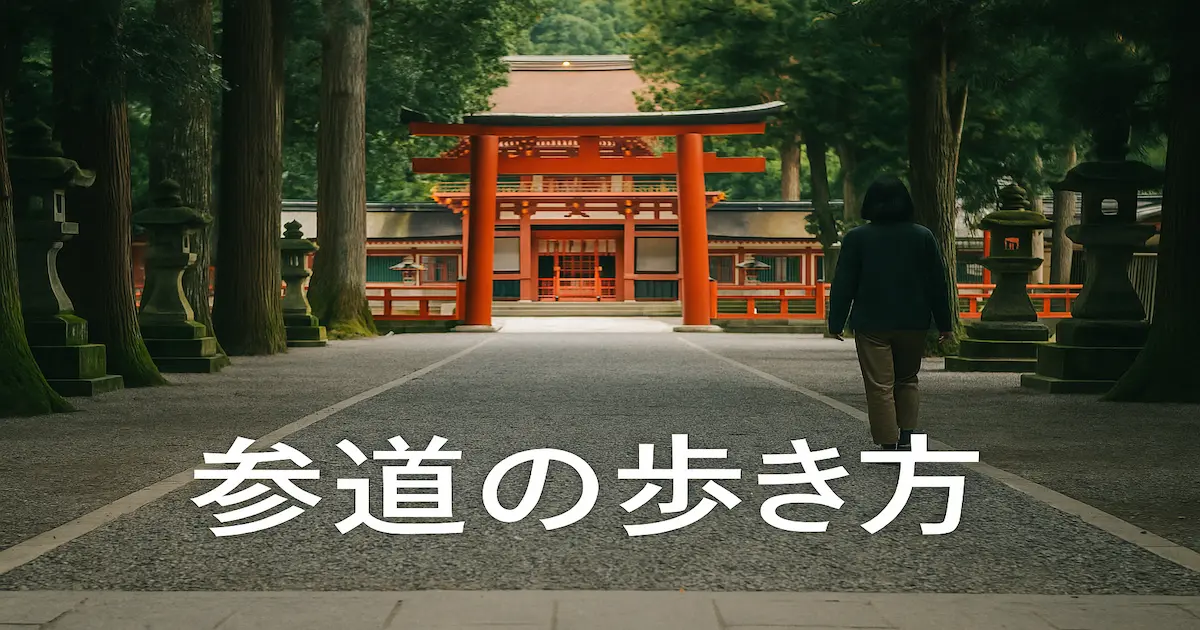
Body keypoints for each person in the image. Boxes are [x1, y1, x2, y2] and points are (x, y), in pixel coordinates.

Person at [827, 176, 953, 452]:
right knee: (907, 379)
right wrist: (945, 324)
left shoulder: (857, 238)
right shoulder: (922, 236)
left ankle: (887, 441)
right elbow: (937, 283)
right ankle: (907, 434)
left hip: (871, 322)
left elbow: (844, 282)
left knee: (879, 384)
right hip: (913, 321)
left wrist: (836, 322)